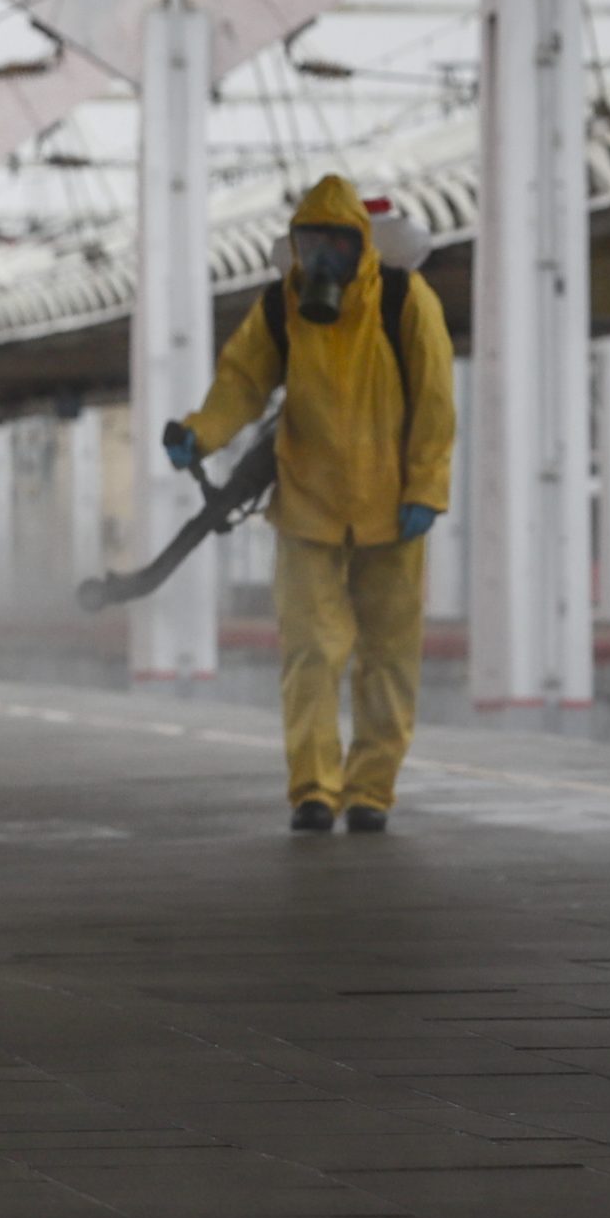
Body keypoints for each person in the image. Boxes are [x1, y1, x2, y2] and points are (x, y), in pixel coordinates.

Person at [168, 174, 454, 835]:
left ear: (364, 247)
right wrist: (199, 433)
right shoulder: (281, 308)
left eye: (336, 244)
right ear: (296, 248)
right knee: (310, 655)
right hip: (306, 510)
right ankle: (315, 791)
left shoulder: (406, 302)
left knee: (388, 659)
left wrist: (426, 488)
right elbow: (240, 384)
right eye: (311, 243)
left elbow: (436, 403)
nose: (323, 259)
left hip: (393, 512)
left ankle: (370, 793)